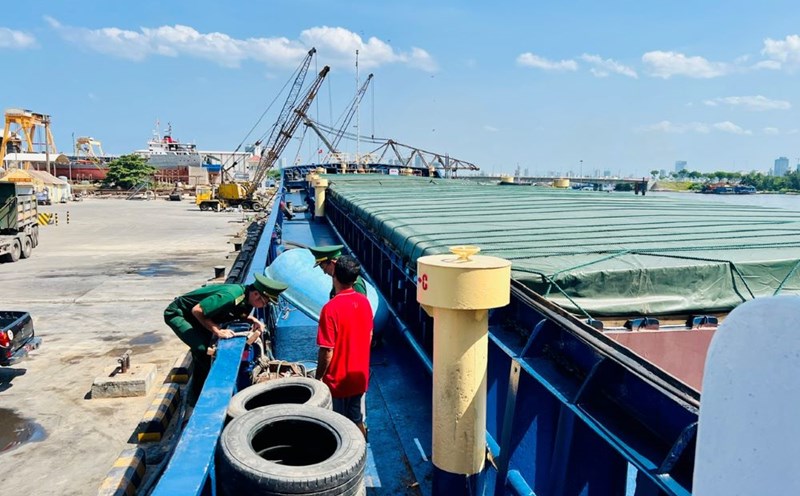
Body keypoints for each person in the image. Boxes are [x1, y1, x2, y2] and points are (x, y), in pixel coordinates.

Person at [164, 274, 288, 405]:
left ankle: (198, 390)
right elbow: (197, 310)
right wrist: (217, 330)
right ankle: (199, 398)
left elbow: (238, 313)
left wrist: (252, 319)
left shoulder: (246, 297)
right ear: (257, 294)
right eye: (264, 302)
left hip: (197, 317)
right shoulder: (231, 295)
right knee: (203, 349)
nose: (264, 306)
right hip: (180, 314)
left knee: (203, 350)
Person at [315, 255, 373, 437]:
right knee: (357, 419)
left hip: (337, 382)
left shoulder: (330, 308)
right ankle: (361, 451)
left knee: (337, 426)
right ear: (355, 279)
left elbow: (327, 351)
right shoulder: (365, 303)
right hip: (359, 376)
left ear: (335, 276)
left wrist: (318, 378)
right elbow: (369, 335)